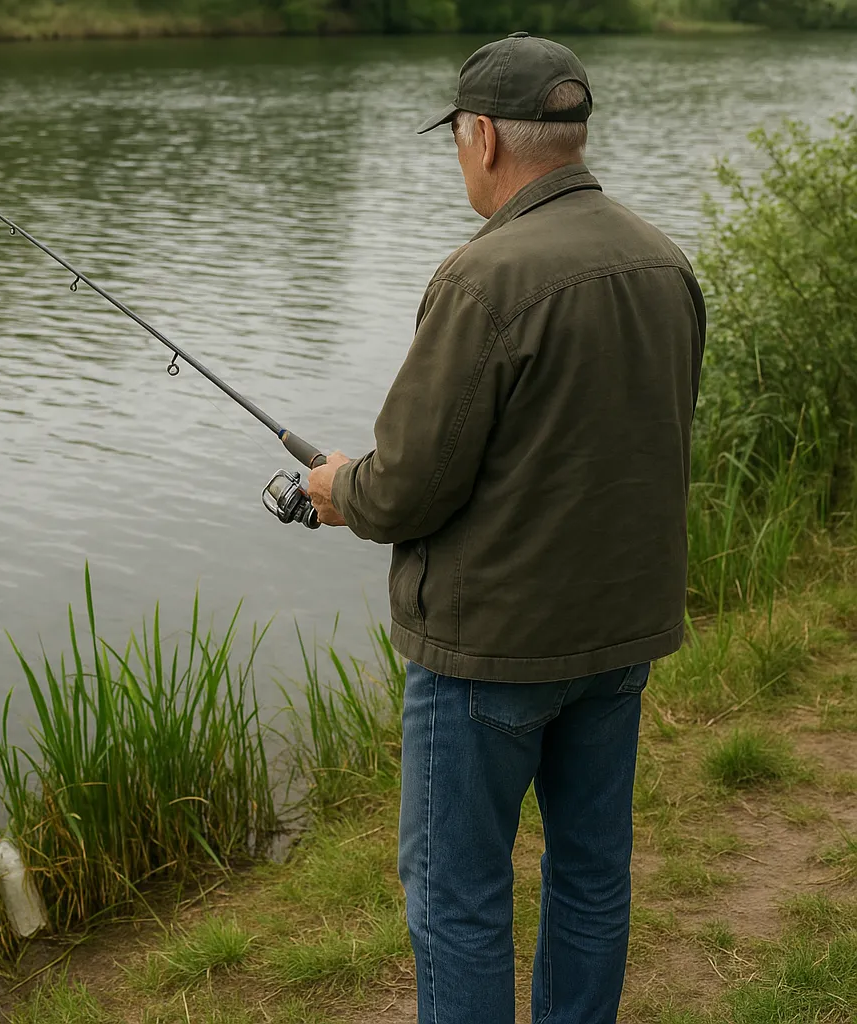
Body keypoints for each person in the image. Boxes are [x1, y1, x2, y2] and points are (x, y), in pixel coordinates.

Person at [305, 32, 706, 1024]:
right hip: (618, 641)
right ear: (571, 133)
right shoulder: (666, 262)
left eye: (456, 140)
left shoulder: (480, 279)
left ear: (482, 136)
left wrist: (332, 487)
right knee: (590, 874)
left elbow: (402, 490)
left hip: (489, 652)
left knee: (457, 894)